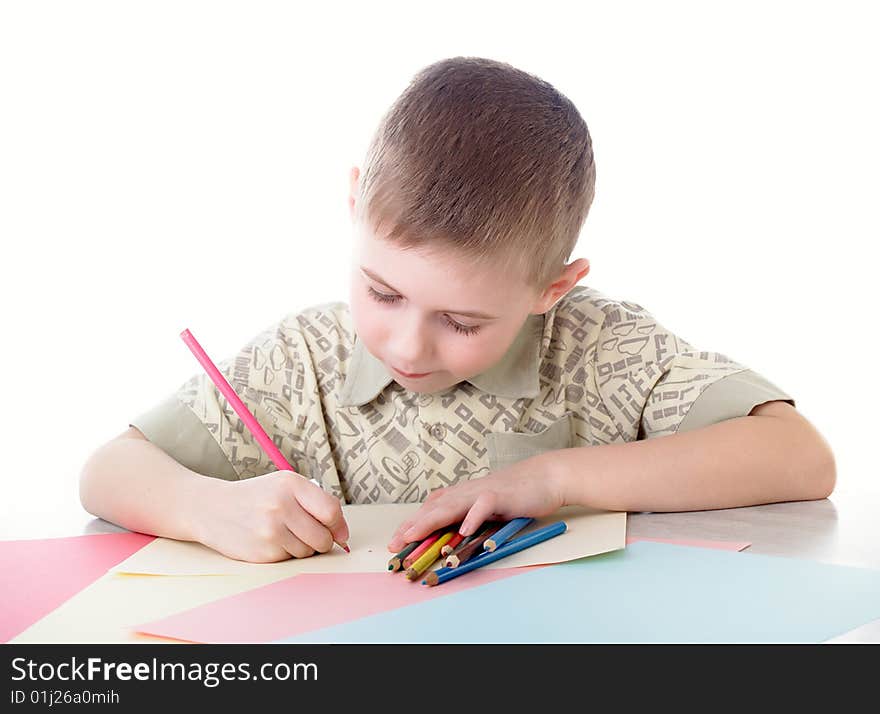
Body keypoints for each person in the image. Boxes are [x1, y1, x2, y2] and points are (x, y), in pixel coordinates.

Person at [79, 56, 835, 564]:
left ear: (552, 289)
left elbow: (800, 457)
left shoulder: (605, 348)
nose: (407, 344)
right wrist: (203, 508)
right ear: (353, 208)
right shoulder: (299, 359)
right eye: (382, 292)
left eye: (464, 322)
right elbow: (109, 472)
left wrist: (552, 480)